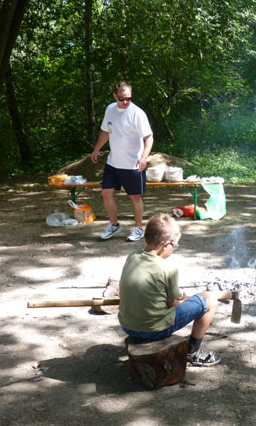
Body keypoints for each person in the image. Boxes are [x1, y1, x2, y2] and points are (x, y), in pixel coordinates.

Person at [118, 213, 221, 367]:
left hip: (127, 326)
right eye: (175, 245)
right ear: (166, 244)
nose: (175, 249)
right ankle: (192, 354)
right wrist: (182, 302)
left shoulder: (132, 256)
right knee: (210, 299)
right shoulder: (168, 268)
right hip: (153, 330)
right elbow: (172, 304)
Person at [91, 82, 154, 242]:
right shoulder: (110, 109)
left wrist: (144, 157)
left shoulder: (137, 113)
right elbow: (106, 131)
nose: (125, 102)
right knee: (106, 193)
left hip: (132, 164)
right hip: (113, 162)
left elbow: (149, 137)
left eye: (128, 99)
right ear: (115, 96)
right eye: (122, 99)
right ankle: (113, 225)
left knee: (134, 197)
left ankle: (138, 228)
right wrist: (97, 149)